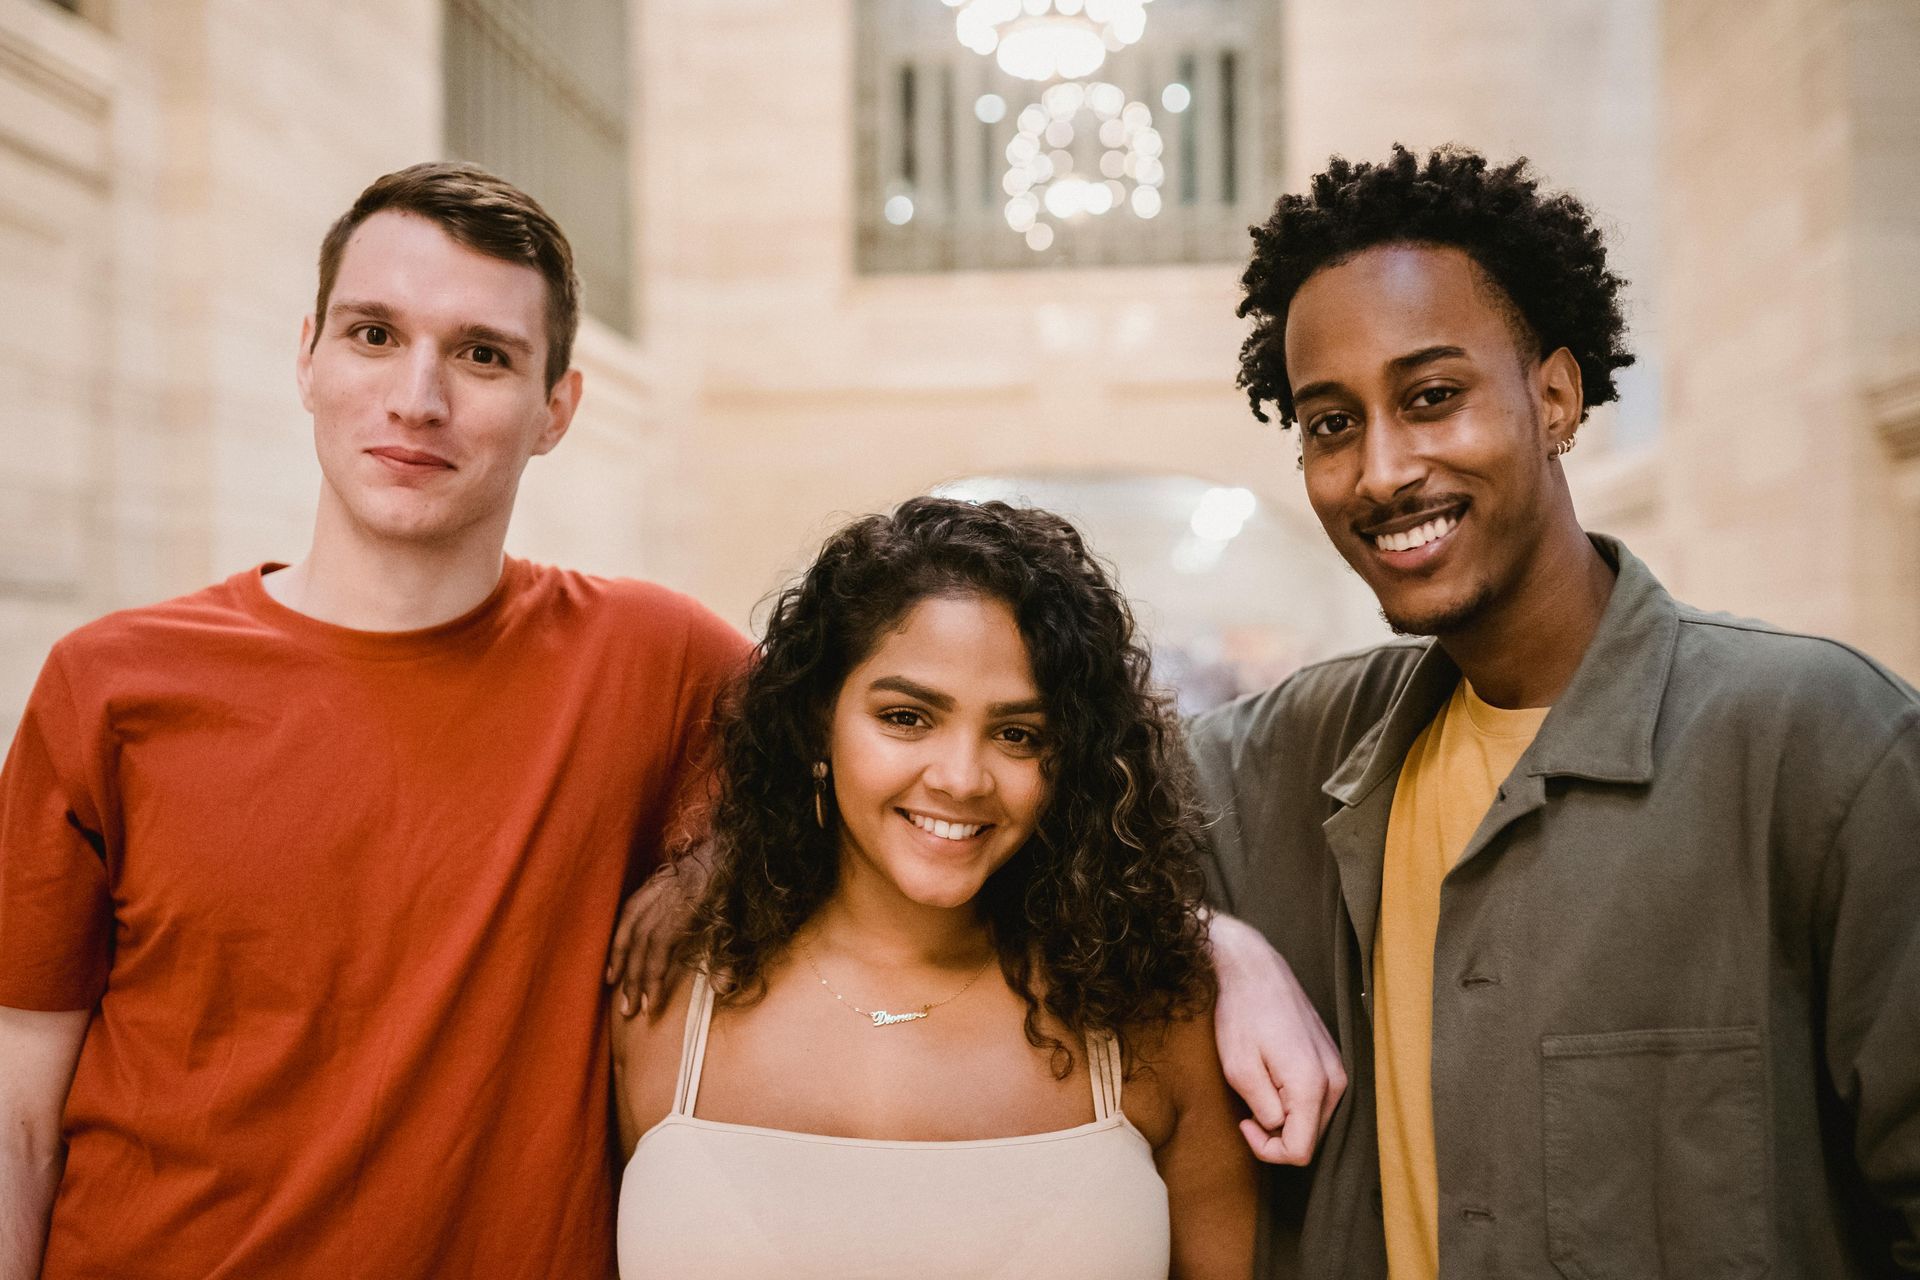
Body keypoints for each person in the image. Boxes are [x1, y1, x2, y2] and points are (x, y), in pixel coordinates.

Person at [0, 163, 747, 1278]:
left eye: (483, 353)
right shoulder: (110, 682)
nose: (418, 398)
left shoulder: (657, 664)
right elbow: (17, 1100)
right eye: (373, 335)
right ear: (307, 357)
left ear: (557, 409)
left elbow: (914, 784)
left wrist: (721, 855)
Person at [1192, 144, 1920, 1276]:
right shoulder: (1286, 756)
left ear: (1556, 396)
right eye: (1331, 423)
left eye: (1433, 397)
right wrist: (1215, 940)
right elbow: (1006, 826)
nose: (1381, 470)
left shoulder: (1822, 745)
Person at [612, 497, 1258, 1278]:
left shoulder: (1154, 1018)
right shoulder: (663, 999)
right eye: (908, 717)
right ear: (820, 720)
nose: (960, 778)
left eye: (1018, 734)